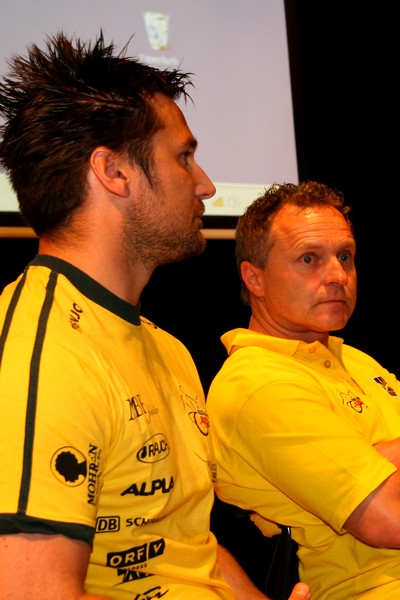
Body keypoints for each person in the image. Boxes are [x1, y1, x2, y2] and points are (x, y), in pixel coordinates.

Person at [0, 32, 311, 600]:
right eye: (184, 157)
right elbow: (32, 591)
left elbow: (187, 546)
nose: (206, 185)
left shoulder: (167, 348)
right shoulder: (40, 356)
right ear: (114, 173)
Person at [207, 180, 400, 599]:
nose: (337, 276)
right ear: (254, 278)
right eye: (309, 259)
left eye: (345, 256)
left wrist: (376, 457)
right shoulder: (256, 382)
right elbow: (390, 519)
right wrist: (378, 459)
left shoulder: (355, 361)